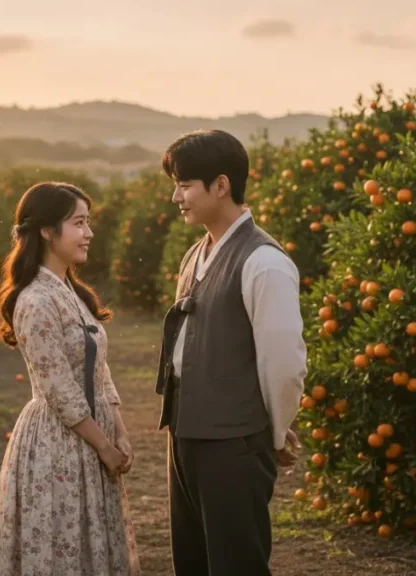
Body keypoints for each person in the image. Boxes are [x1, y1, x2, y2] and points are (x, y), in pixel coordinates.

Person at [154, 129, 308, 576]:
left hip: (234, 441)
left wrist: (275, 432)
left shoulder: (265, 263)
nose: (175, 197)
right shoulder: (195, 255)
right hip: (185, 431)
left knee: (236, 563)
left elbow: (284, 364)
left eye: (184, 185)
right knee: (194, 559)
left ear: (220, 185)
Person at [0, 182, 140, 576]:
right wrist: (104, 445)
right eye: (79, 223)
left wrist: (119, 431)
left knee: (91, 544)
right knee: (60, 547)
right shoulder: (35, 300)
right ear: (48, 231)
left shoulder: (71, 292)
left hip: (92, 434)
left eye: (88, 223)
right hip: (58, 441)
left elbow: (98, 370)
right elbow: (58, 389)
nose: (88, 233)